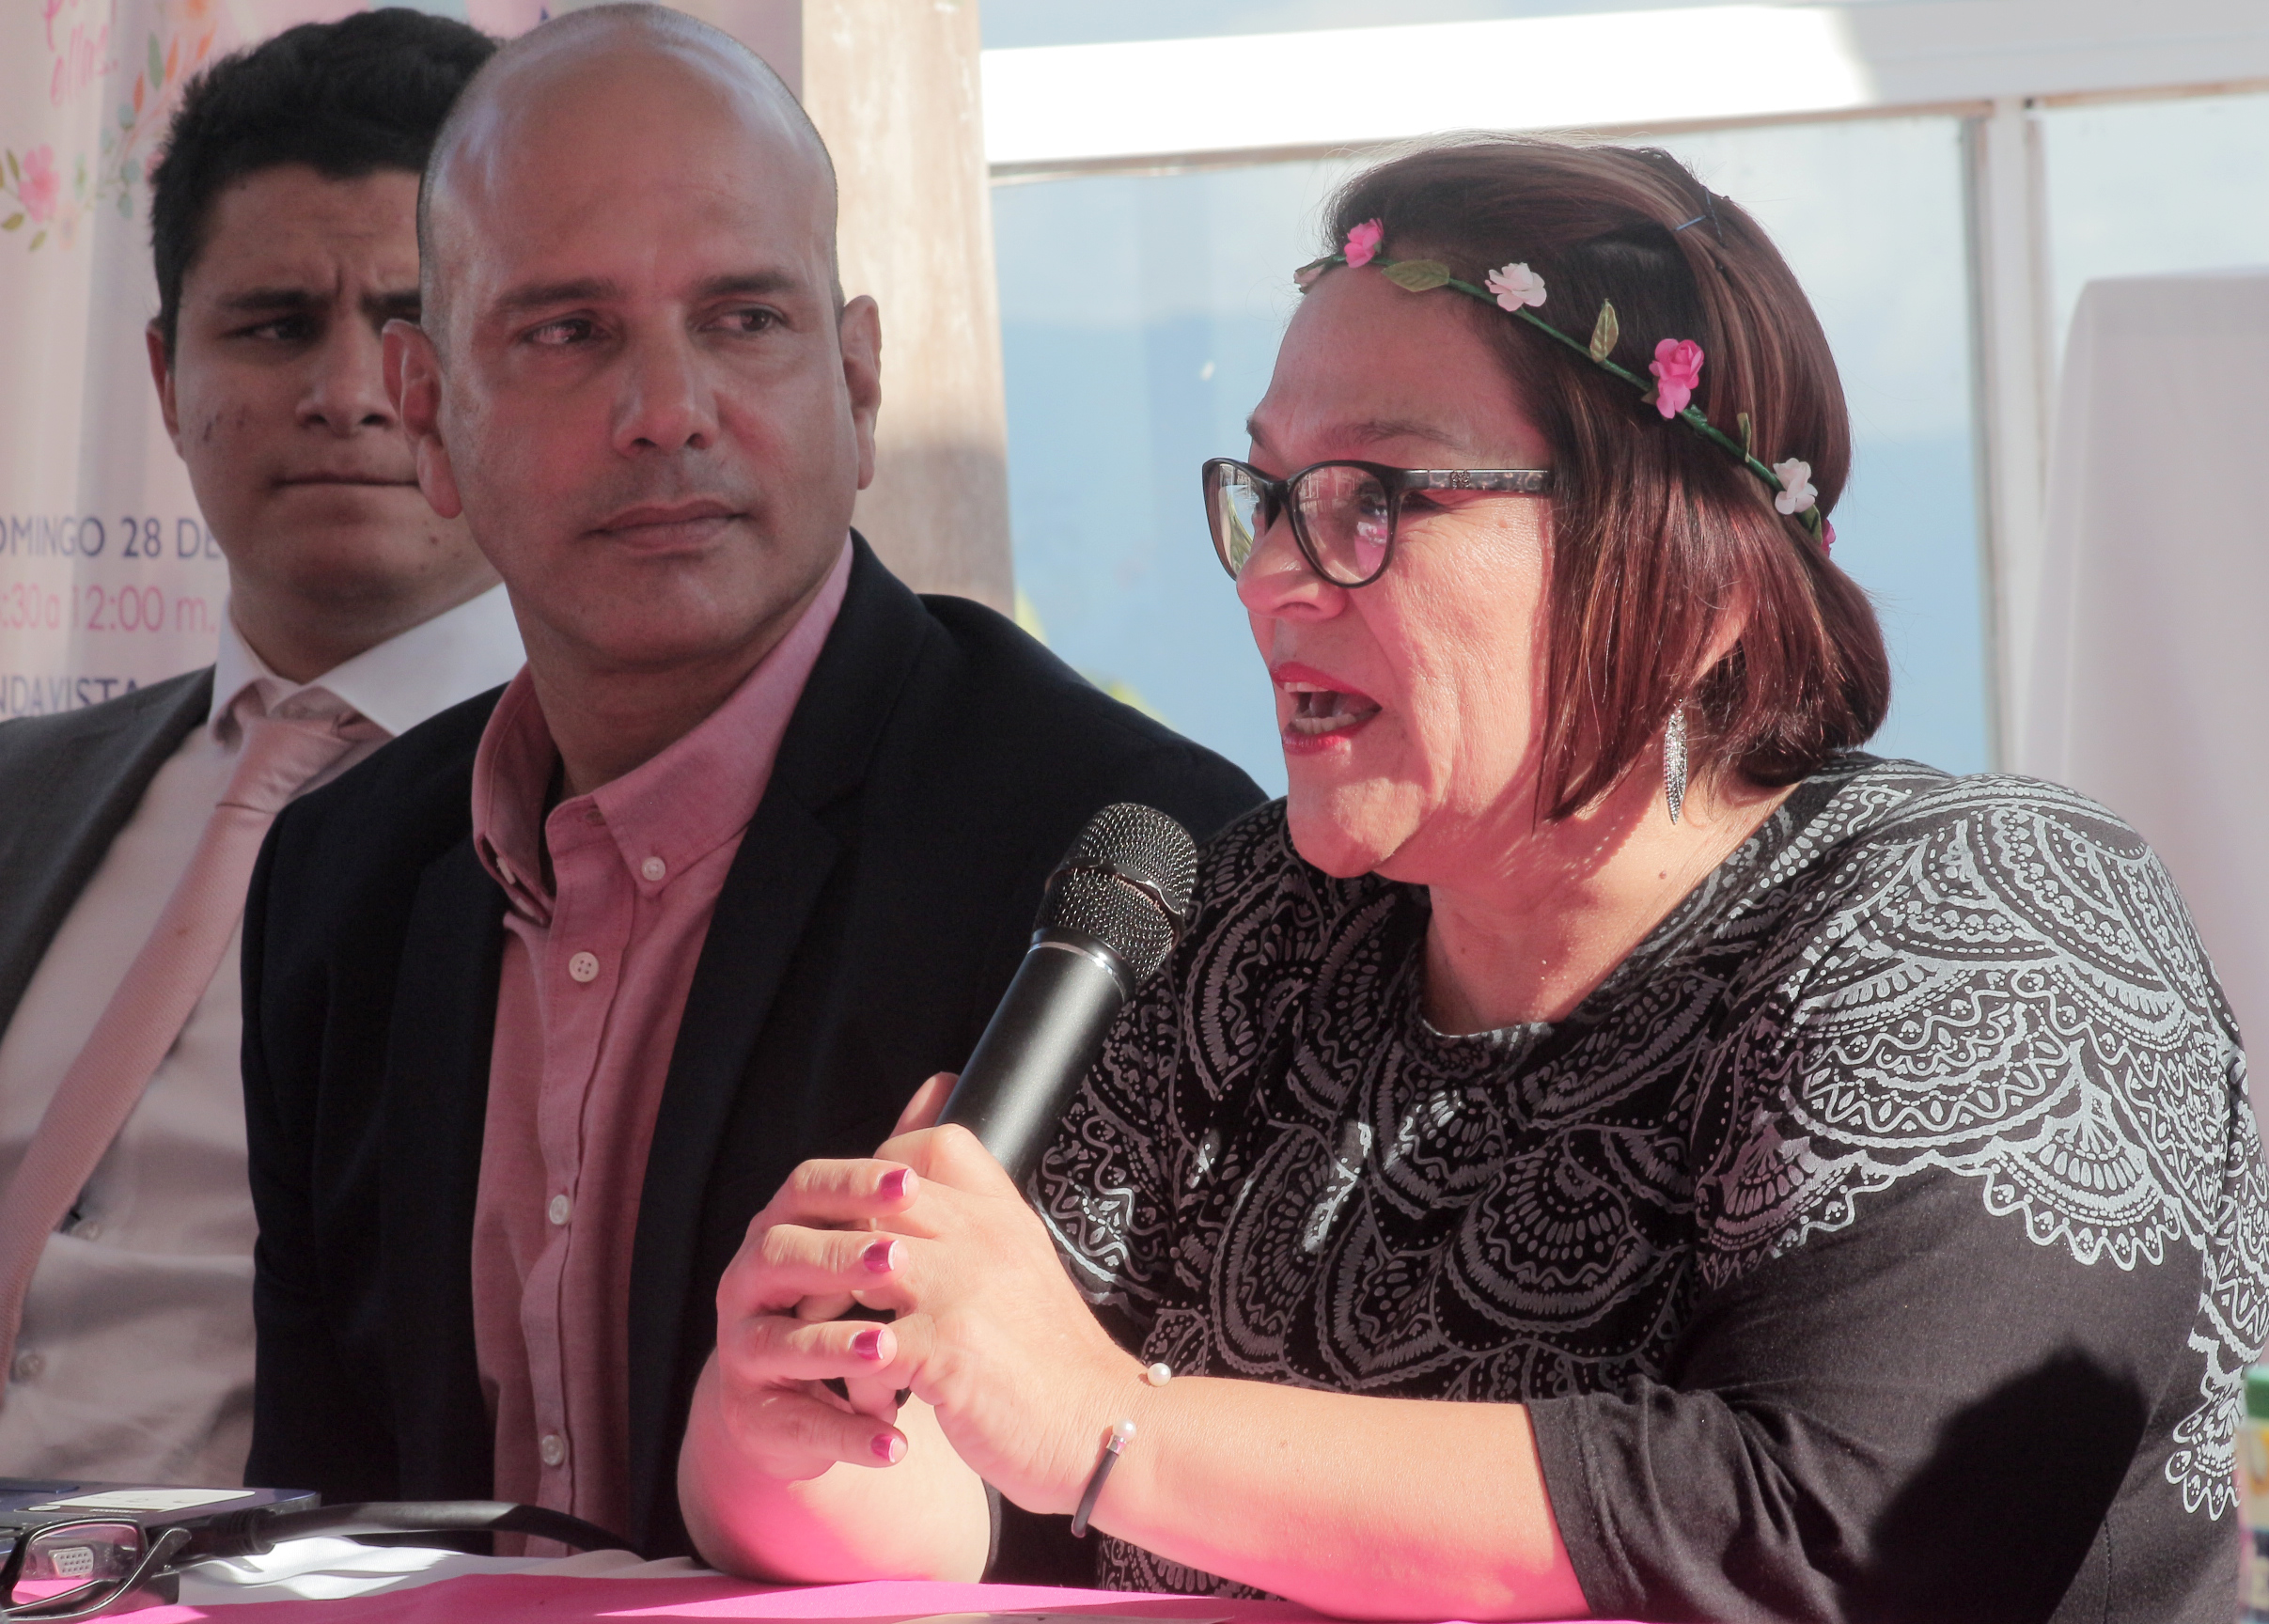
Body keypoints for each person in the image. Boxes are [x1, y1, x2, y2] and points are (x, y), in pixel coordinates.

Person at [687, 137, 2269, 1622]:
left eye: (1376, 498)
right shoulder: (1253, 933)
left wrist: (1110, 1428)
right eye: (1268, 495)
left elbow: (1846, 1528)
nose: (1275, 574)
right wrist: (792, 1420)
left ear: (1692, 568)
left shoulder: (1986, 916)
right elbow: (977, 1489)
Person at [238, 2, 1260, 1561]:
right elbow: (315, 1522)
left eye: (742, 320)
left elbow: (1162, 1535)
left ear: (856, 383)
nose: (667, 412)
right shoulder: (341, 877)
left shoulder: (1123, 864)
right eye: (568, 332)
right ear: (429, 414)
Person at [0, 10, 517, 1487]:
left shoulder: (605, 823)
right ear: (167, 382)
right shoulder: (21, 794)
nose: (349, 392)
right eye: (276, 325)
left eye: (413, 327)